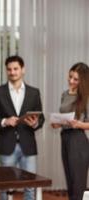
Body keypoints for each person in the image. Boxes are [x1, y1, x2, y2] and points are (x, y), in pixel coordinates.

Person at [0, 55, 45, 200]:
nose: (12, 72)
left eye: (16, 69)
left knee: (30, 186)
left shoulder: (34, 92)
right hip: (6, 146)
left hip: (28, 146)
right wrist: (5, 121)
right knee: (5, 187)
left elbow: (41, 118)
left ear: (23, 70)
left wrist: (35, 123)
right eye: (9, 69)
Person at [51, 62, 89, 200]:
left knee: (78, 185)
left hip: (78, 141)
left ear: (83, 81)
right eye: (70, 77)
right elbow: (64, 117)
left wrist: (79, 124)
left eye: (76, 79)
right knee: (70, 182)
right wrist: (57, 124)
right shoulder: (64, 94)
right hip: (65, 138)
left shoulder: (87, 97)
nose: (71, 81)